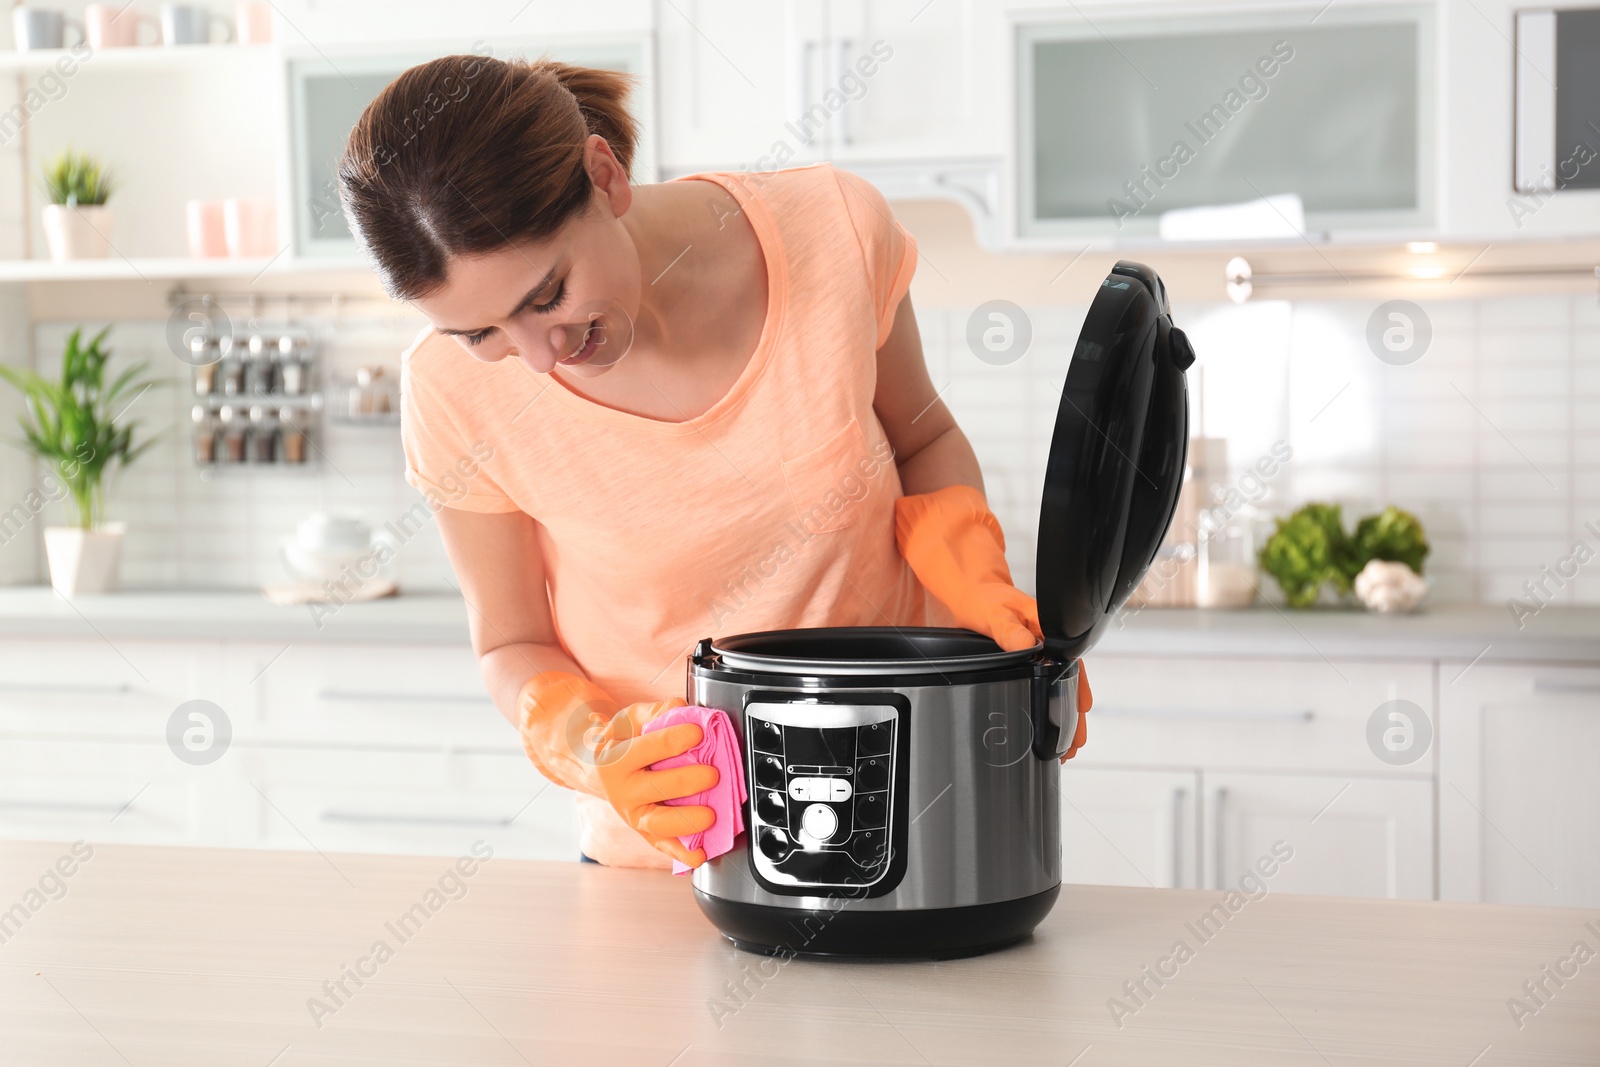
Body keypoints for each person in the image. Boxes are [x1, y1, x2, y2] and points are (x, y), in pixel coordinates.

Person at [338, 54, 1090, 871]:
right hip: (674, 848)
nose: (537, 358)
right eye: (479, 333)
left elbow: (923, 440)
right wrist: (595, 746)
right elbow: (510, 641)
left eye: (545, 295)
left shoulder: (831, 230)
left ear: (604, 175)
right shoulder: (448, 392)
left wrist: (977, 584)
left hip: (917, 798)